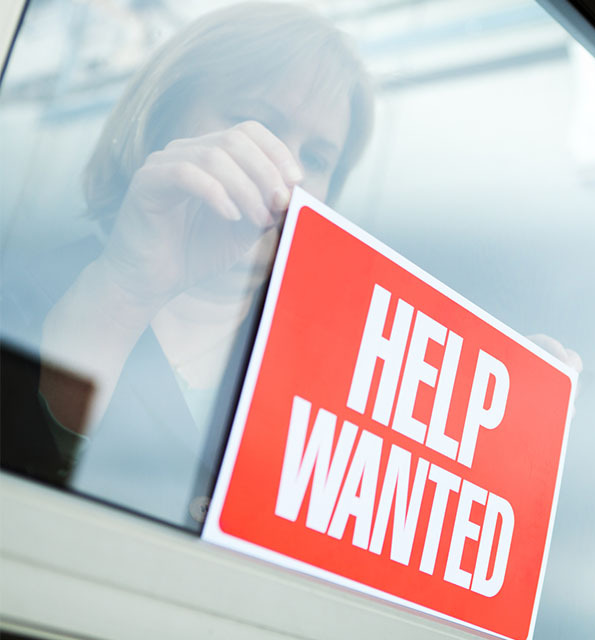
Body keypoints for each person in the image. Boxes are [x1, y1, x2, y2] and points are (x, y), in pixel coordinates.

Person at [1, 3, 374, 528]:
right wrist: (127, 291)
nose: (286, 171)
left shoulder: (341, 372)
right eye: (256, 122)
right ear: (162, 123)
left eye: (315, 159)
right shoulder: (18, 298)